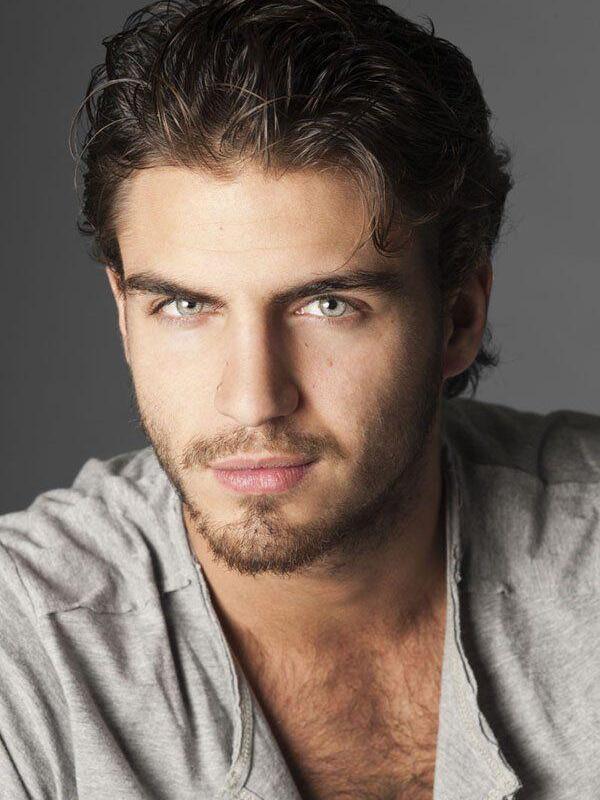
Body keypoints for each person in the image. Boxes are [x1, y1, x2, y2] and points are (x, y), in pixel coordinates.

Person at [1, 1, 598, 798]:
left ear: (458, 317)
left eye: (328, 304)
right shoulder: (25, 652)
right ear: (124, 314)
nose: (253, 400)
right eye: (184, 305)